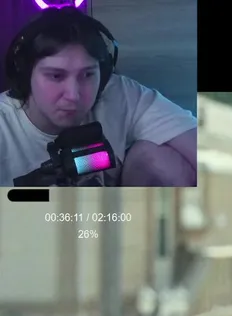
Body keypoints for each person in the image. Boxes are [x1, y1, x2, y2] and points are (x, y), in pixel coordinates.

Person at [0, 8, 196, 187]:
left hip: (115, 211)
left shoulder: (118, 93)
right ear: (25, 74)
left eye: (87, 75)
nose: (73, 95)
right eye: (56, 76)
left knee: (161, 159)